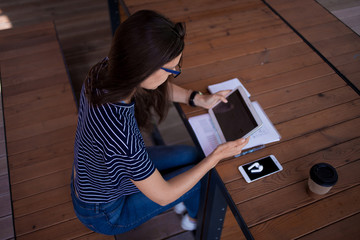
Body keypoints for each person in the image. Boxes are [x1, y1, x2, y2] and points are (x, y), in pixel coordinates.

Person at [71, 10, 249, 235]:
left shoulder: (102, 71)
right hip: (104, 212)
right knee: (204, 174)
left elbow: (153, 84)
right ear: (142, 69)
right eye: (171, 69)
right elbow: (163, 194)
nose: (174, 72)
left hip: (95, 174)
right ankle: (193, 221)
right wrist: (216, 156)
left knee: (192, 155)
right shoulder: (122, 136)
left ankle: (187, 203)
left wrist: (196, 98)